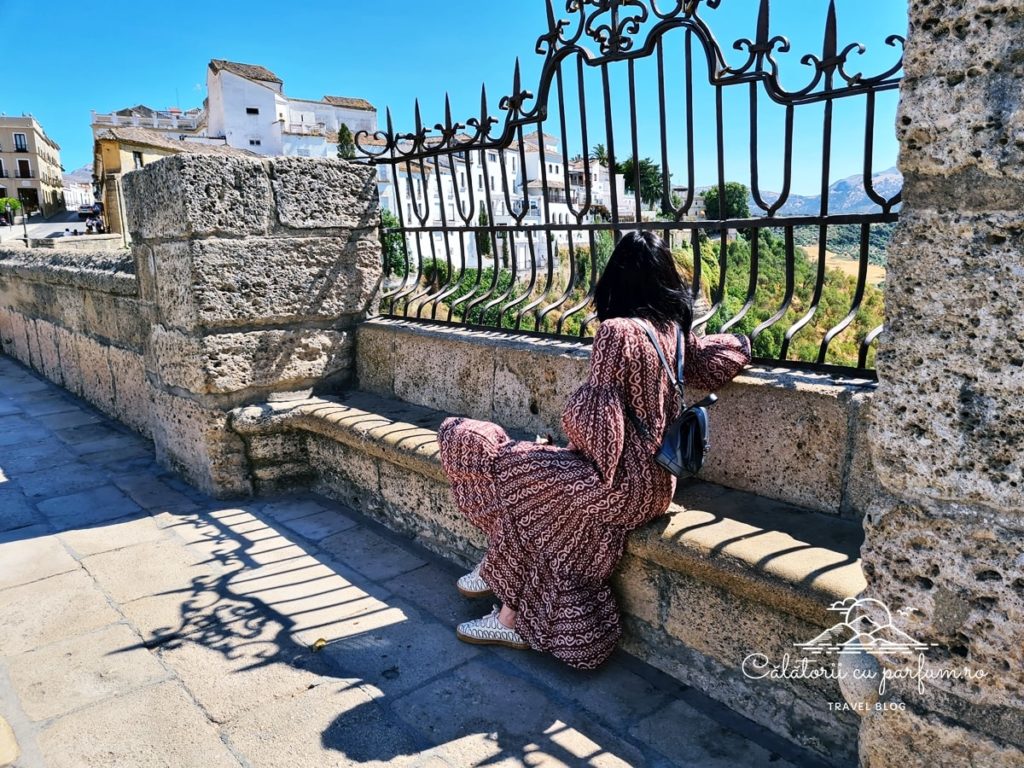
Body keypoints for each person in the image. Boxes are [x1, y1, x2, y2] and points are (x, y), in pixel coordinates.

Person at [437, 230, 751, 669]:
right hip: (659, 484)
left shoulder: (616, 333)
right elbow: (720, 358)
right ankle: (506, 611)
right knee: (551, 509)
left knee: (506, 463)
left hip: (618, 484)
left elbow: (595, 424)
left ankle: (499, 581)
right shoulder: (674, 333)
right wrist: (744, 343)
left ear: (616, 279)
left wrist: (567, 445)